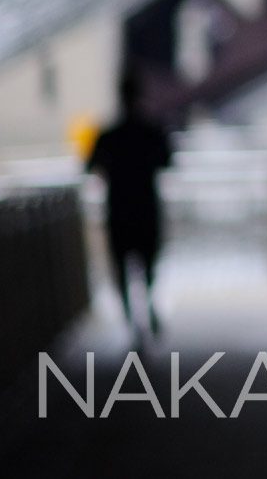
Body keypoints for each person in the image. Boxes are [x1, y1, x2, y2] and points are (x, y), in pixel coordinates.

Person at [86, 68, 175, 338]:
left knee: (121, 265)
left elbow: (90, 166)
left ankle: (130, 320)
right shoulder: (151, 130)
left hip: (119, 209)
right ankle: (147, 307)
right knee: (148, 262)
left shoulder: (108, 135)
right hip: (146, 207)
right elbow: (167, 161)